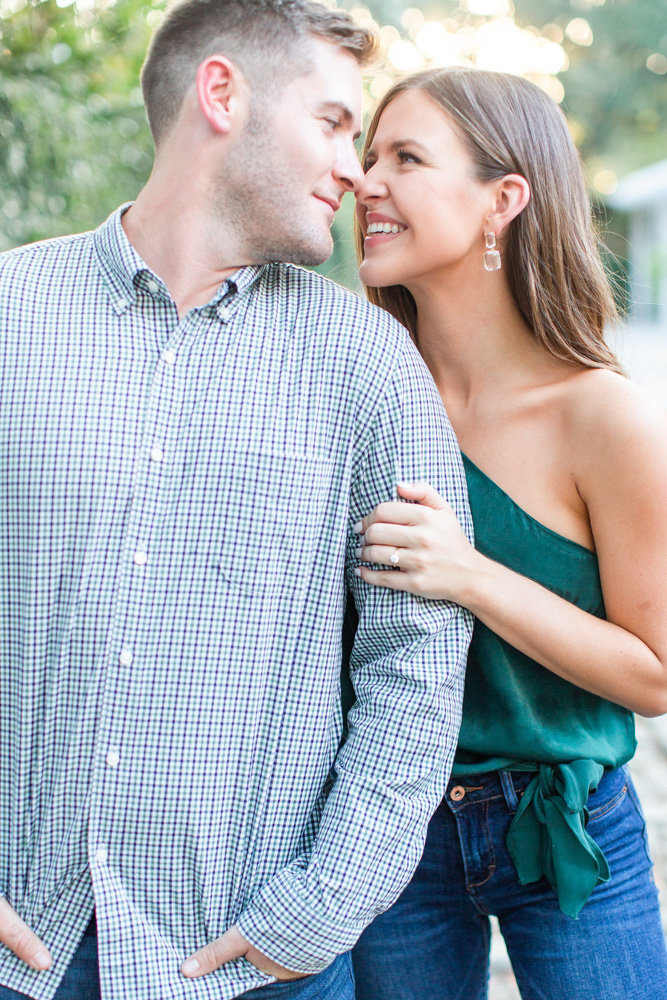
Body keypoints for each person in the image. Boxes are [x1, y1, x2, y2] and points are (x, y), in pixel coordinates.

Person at [0, 8, 474, 1000]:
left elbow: (417, 657)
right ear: (223, 96)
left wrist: (322, 907)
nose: (356, 171)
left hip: (257, 969)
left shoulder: (369, 368)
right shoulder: (10, 313)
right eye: (336, 123)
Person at [350, 67, 667, 1000]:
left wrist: (469, 574)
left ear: (504, 200)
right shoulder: (361, 394)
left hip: (563, 827)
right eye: (369, 156)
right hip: (389, 830)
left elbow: (652, 672)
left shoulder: (601, 417)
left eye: (405, 157)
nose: (366, 181)